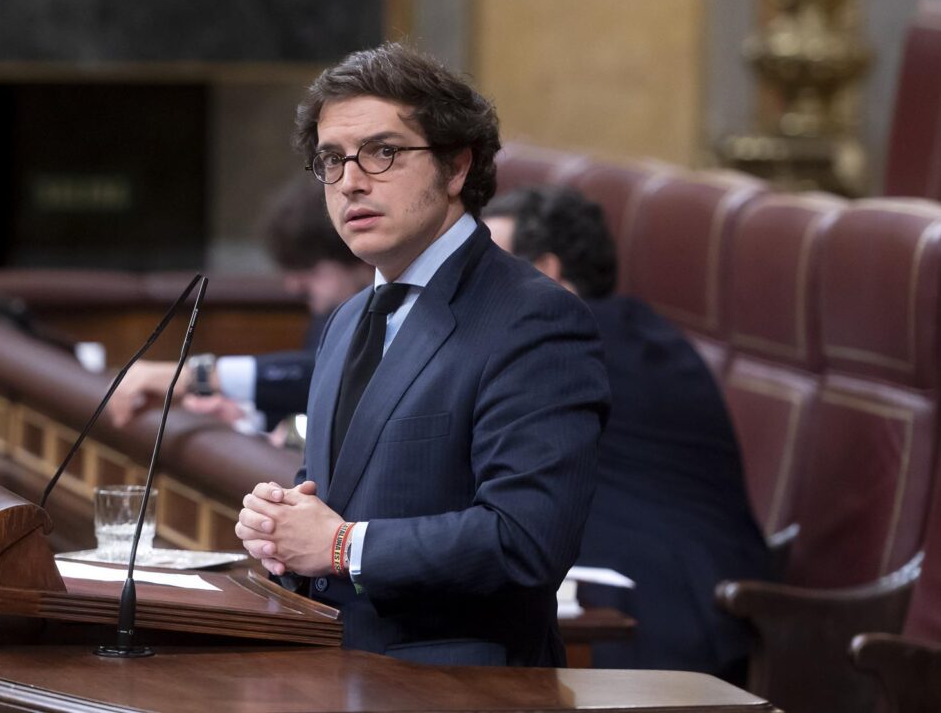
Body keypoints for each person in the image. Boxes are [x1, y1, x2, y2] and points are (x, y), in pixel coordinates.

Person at [234, 42, 610, 667]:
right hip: (330, 670)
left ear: (456, 167)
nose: (351, 180)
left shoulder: (534, 318)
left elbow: (526, 539)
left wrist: (340, 547)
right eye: (332, 159)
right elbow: (341, 496)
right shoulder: (349, 317)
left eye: (383, 153)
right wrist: (282, 521)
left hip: (459, 686)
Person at [483, 186, 771, 682]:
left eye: (492, 269)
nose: (477, 289)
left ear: (546, 270)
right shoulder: (628, 329)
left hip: (655, 618)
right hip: (661, 600)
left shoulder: (571, 338)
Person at [107, 176, 372, 435]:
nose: (294, 287)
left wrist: (197, 377)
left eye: (309, 269)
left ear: (359, 258)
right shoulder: (329, 314)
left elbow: (323, 372)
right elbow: (308, 401)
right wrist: (246, 415)